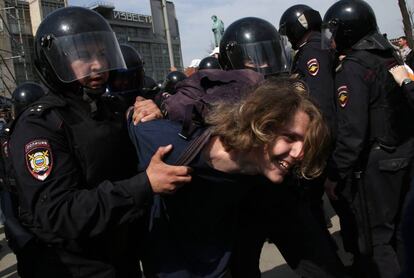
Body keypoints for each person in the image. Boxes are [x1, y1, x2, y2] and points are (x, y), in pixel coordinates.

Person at [8, 7, 191, 278]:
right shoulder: (40, 125)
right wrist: (144, 184)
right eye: (83, 55)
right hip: (76, 265)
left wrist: (154, 108)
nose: (96, 64)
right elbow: (58, 213)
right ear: (53, 60)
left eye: (101, 53)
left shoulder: (110, 107)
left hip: (123, 256)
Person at [129, 77, 330, 277]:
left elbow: (311, 253)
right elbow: (128, 129)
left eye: (306, 144)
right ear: (261, 125)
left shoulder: (270, 183)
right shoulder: (168, 146)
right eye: (290, 137)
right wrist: (137, 109)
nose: (299, 153)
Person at [322, 1, 414, 277]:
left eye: (334, 32)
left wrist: (336, 174)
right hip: (405, 153)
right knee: (401, 230)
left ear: (348, 32)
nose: (331, 40)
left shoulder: (352, 68)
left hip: (378, 164)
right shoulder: (390, 56)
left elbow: (352, 132)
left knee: (377, 241)